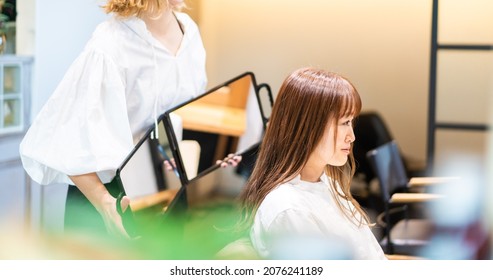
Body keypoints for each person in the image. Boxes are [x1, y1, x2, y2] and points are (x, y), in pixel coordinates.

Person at [19, 0, 239, 239]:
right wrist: (105, 204)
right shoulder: (109, 45)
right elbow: (69, 140)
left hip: (166, 191)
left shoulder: (190, 32)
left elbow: (180, 118)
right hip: (109, 199)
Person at [236, 67, 387, 259]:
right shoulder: (289, 210)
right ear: (309, 127)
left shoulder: (327, 183)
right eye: (344, 123)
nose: (352, 137)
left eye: (351, 123)